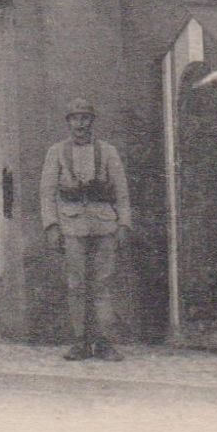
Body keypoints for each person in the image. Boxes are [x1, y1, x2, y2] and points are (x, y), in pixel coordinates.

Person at [40, 97, 132, 361]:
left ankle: (104, 342)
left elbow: (122, 193)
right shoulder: (56, 152)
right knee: (76, 285)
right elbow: (47, 193)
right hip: (71, 226)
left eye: (85, 118)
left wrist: (124, 224)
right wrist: (52, 226)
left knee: (103, 284)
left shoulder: (108, 152)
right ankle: (80, 341)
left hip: (104, 224)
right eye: (75, 118)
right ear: (68, 123)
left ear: (92, 121)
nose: (80, 123)